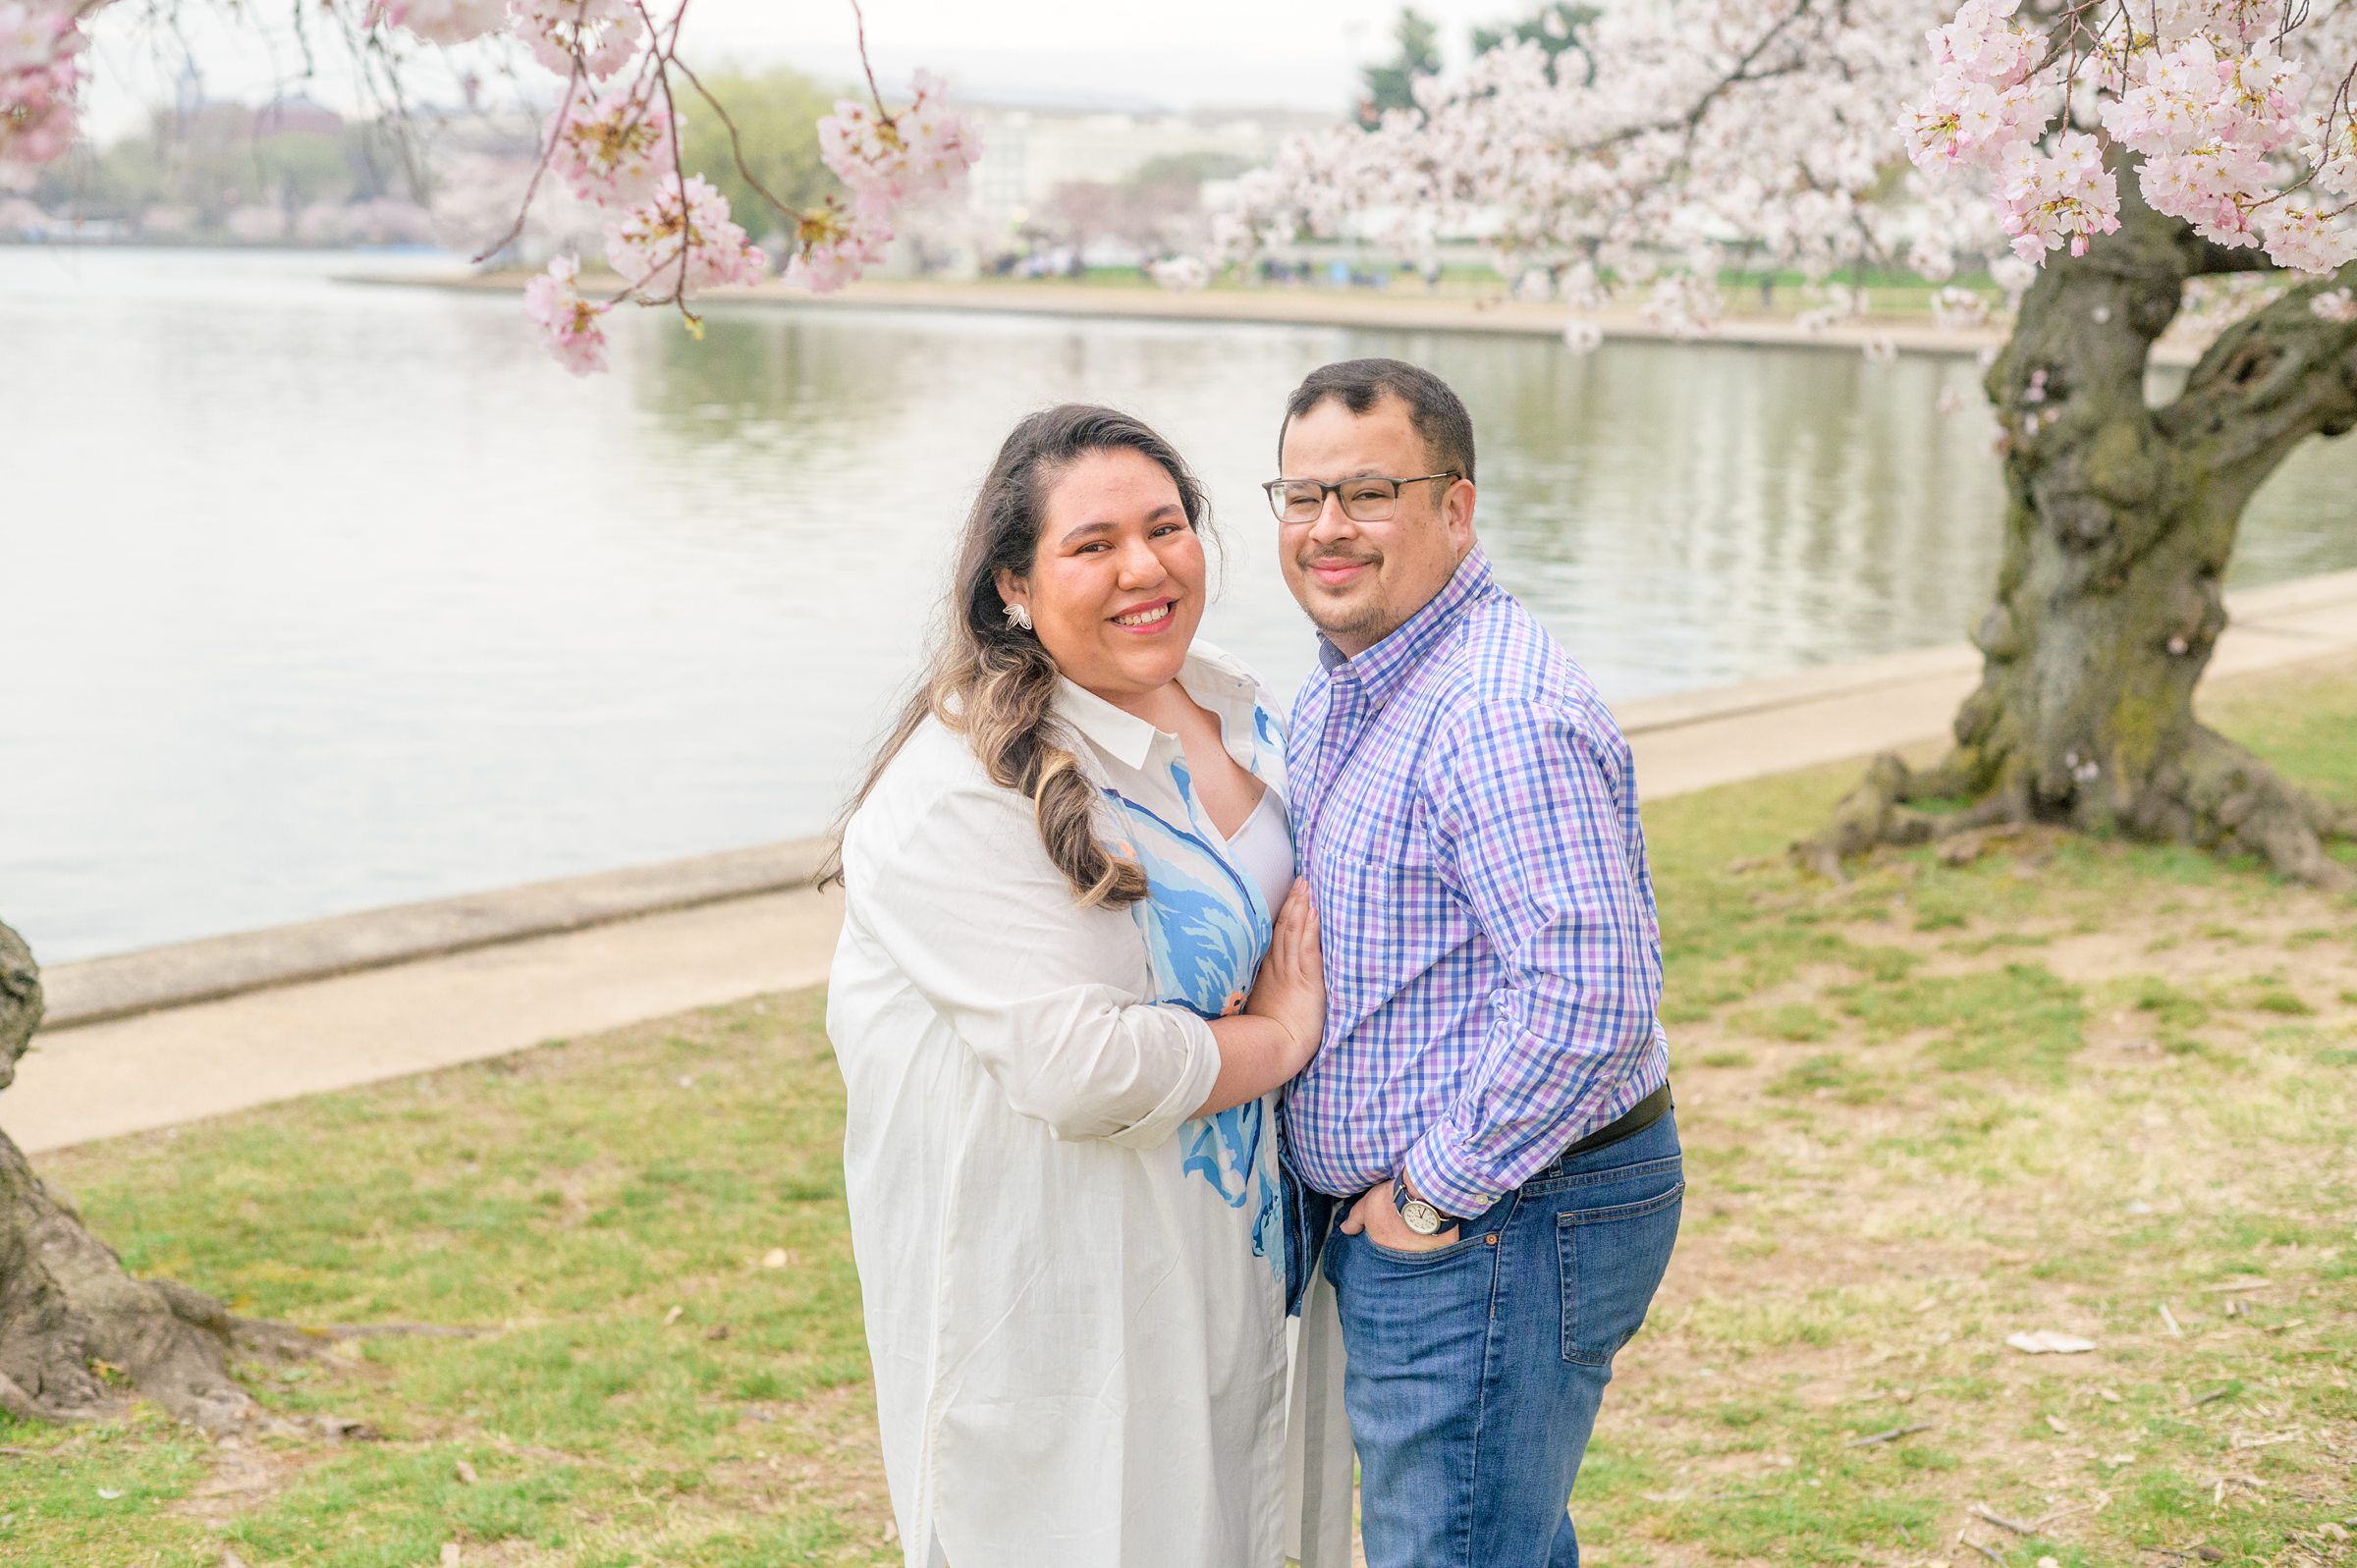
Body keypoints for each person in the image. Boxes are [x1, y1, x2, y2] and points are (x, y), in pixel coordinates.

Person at [823, 405, 1328, 1568]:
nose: (1144, 567)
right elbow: (1083, 1067)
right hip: (1074, 1302)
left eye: (1167, 526)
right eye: (1092, 544)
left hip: (1244, 1273)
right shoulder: (956, 796)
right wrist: (1284, 1031)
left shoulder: (1247, 712)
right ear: (1012, 584)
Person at [1271, 358, 1682, 1568]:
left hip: (1499, 1216)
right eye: (1301, 497)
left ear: (1456, 508)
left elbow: (1590, 997)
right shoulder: (1367, 677)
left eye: (1367, 492)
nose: (1327, 529)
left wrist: (1428, 1194)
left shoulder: (1493, 712)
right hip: (1475, 1219)